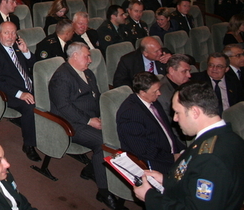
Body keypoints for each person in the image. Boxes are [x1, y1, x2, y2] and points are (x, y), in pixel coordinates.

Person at [133, 82, 244, 210]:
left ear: (195, 112)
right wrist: (166, 180)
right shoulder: (229, 137)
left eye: (177, 112)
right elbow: (193, 178)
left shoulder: (211, 159)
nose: (175, 119)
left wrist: (150, 197)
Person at [50, 42, 118, 209]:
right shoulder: (62, 77)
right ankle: (104, 191)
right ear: (75, 56)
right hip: (72, 124)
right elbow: (64, 107)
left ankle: (91, 168)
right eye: (87, 56)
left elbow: (97, 96)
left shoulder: (87, 73)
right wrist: (89, 121)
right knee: (103, 143)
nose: (90, 60)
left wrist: (105, 116)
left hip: (91, 118)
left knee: (118, 132)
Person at [0, 22, 40, 161]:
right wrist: (21, 94)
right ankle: (29, 144)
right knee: (30, 106)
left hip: (30, 86)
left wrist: (26, 52)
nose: (10, 36)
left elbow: (34, 65)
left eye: (13, 33)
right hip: (10, 93)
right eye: (6, 33)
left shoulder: (17, 46)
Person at [116, 72, 184, 174]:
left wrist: (182, 151)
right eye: (155, 91)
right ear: (143, 92)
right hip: (154, 163)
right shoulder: (130, 114)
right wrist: (172, 157)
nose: (159, 93)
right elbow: (143, 150)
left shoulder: (153, 101)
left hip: (169, 153)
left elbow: (168, 131)